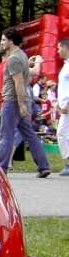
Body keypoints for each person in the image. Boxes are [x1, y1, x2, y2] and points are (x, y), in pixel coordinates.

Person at [0, 28, 50, 177]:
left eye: (3, 40)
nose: (1, 42)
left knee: (5, 136)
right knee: (30, 134)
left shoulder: (13, 59)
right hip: (22, 100)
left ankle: (1, 169)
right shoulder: (22, 55)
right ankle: (43, 166)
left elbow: (19, 83)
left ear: (11, 41)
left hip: (12, 101)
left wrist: (21, 105)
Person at [57, 38, 69, 176]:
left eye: (59, 48)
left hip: (68, 107)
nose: (57, 51)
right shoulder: (65, 66)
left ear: (66, 48)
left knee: (61, 133)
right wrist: (57, 103)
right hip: (64, 107)